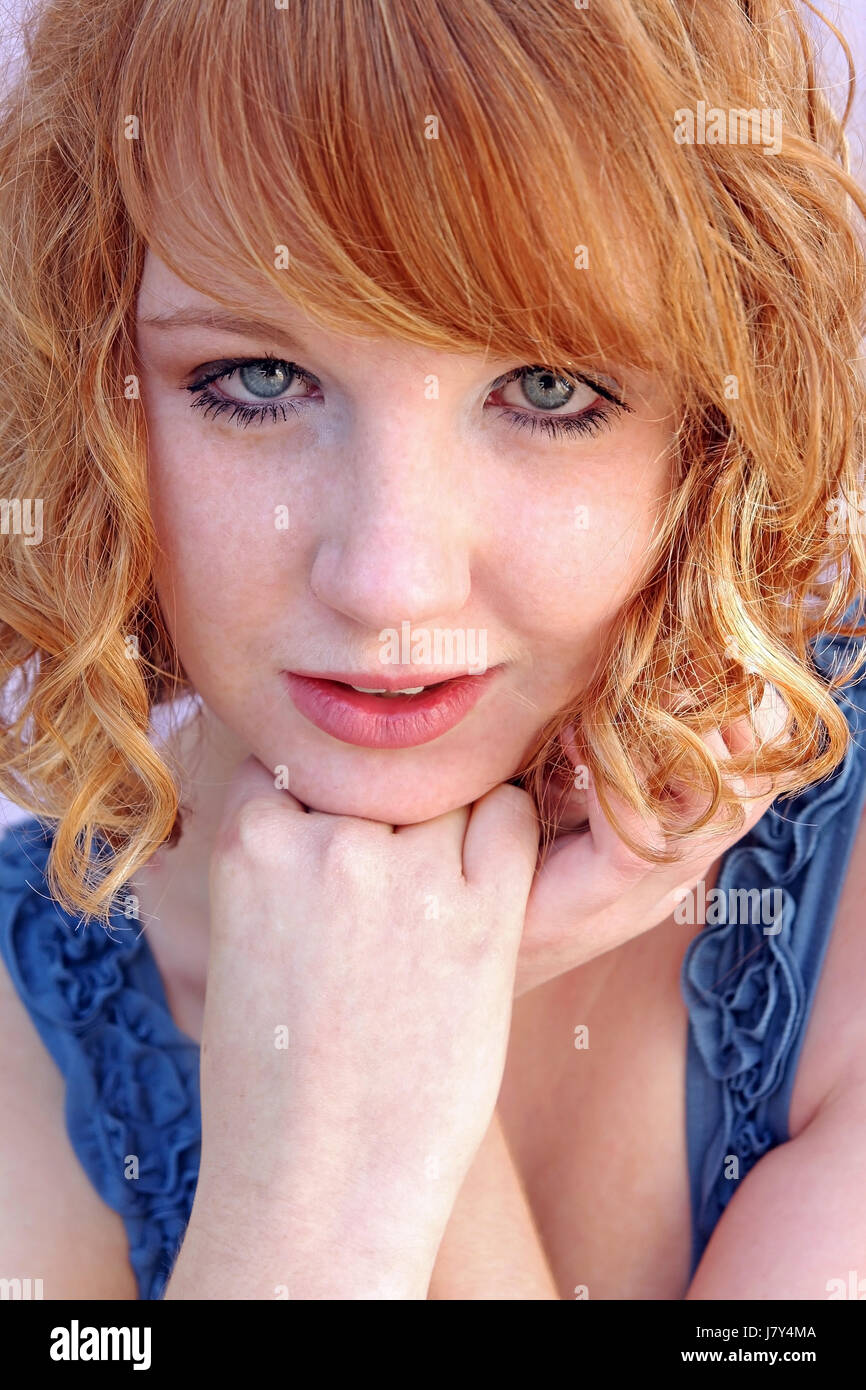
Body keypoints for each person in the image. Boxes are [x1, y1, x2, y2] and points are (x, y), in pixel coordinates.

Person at [1, 0, 865, 1301]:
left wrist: (380, 1075)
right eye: (255, 379)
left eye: (547, 390)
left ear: (709, 432)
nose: (387, 580)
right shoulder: (29, 1025)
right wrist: (317, 1204)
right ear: (90, 396)